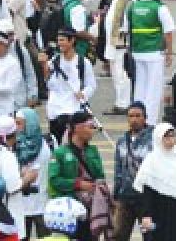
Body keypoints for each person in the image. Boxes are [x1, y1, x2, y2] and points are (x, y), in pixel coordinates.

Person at [47, 110, 108, 240]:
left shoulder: (92, 151)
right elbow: (54, 180)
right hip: (69, 210)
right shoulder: (60, 153)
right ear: (77, 128)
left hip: (90, 207)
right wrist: (77, 184)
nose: (92, 131)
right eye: (90, 127)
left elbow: (100, 175)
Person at [133, 122, 176, 241]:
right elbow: (147, 190)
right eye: (166, 136)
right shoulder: (152, 160)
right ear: (159, 138)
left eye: (172, 135)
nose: (170, 139)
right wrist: (146, 214)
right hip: (162, 209)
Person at [126, 0, 175, 127]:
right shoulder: (159, 7)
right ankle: (150, 121)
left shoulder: (132, 7)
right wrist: (169, 52)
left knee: (140, 87)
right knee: (153, 90)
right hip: (154, 53)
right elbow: (168, 32)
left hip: (137, 52)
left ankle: (136, 119)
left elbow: (127, 31)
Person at [42, 29, 98, 146]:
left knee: (75, 144)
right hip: (56, 110)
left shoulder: (84, 62)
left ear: (72, 40)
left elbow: (91, 85)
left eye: (62, 40)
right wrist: (44, 68)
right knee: (57, 144)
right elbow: (49, 84)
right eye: (58, 41)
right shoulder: (54, 61)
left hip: (74, 108)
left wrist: (83, 93)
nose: (59, 44)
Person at [112, 102, 154, 241]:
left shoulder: (154, 139)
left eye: (138, 116)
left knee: (150, 236)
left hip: (147, 198)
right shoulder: (122, 141)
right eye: (130, 116)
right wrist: (115, 196)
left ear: (145, 118)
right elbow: (118, 170)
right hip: (125, 197)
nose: (134, 119)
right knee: (118, 235)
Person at [16, 108, 52, 238]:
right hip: (21, 204)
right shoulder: (15, 143)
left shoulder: (49, 141)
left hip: (43, 201)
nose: (16, 127)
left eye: (19, 123)